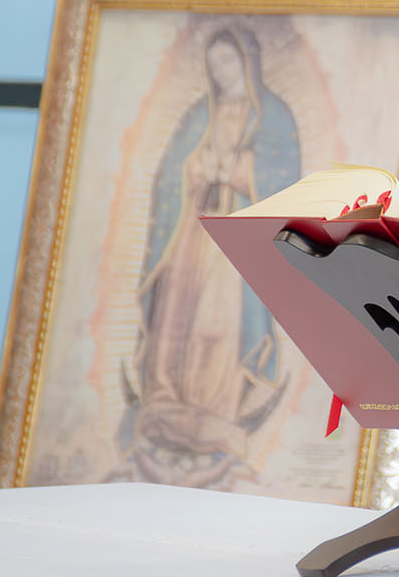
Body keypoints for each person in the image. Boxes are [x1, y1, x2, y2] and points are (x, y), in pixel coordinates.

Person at [122, 24, 301, 488]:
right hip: (191, 234)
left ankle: (215, 411)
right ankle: (164, 404)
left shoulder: (274, 117)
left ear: (248, 62)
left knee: (218, 327)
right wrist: (196, 169)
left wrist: (242, 171)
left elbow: (286, 181)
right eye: (214, 64)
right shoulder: (200, 114)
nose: (221, 73)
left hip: (234, 240)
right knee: (175, 319)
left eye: (229, 63)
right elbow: (169, 175)